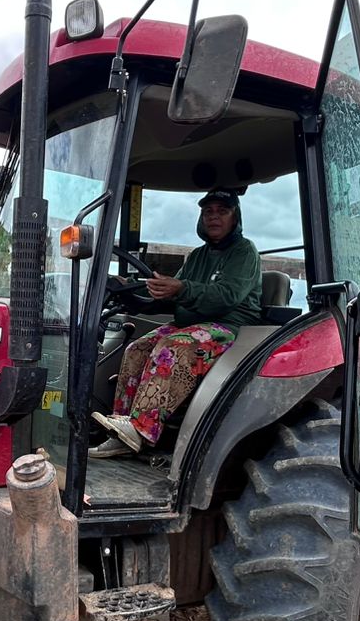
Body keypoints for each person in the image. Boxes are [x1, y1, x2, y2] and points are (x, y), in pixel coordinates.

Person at [91, 189, 262, 457]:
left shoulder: (244, 252)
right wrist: (136, 292)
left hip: (229, 327)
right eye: (208, 212)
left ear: (235, 217)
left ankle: (142, 429)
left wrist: (180, 288)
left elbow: (227, 297)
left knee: (172, 348)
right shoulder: (197, 256)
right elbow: (172, 296)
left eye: (222, 211)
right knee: (137, 348)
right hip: (192, 325)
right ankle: (121, 430)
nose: (214, 217)